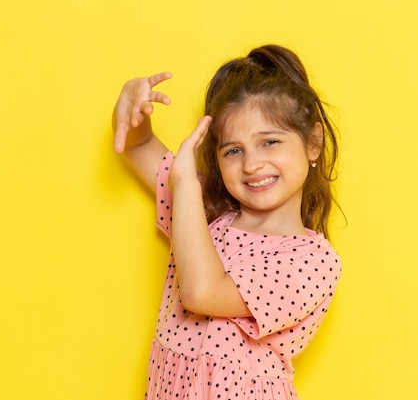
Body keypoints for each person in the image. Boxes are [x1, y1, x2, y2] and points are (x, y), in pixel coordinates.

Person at [111, 44, 341, 400]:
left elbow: (201, 292)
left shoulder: (313, 261)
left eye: (270, 142)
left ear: (313, 143)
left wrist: (186, 183)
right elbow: (137, 145)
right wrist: (129, 104)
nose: (251, 164)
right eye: (233, 150)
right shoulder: (206, 213)